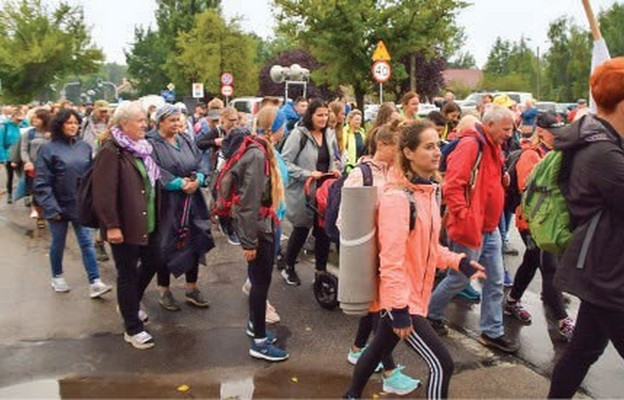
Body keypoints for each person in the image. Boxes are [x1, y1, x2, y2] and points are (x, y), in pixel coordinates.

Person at [344, 121, 485, 399]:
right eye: (428, 147)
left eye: (438, 146)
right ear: (408, 152)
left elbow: (431, 248)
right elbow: (391, 261)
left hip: (412, 296)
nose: (437, 153)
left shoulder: (427, 193)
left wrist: (460, 262)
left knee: (376, 352)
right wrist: (399, 309)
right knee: (442, 364)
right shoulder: (398, 199)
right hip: (402, 299)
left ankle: (351, 396)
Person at [547, 57, 624, 398]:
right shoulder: (602, 154)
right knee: (583, 351)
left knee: (582, 351)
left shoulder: (601, 143)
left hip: (604, 269)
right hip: (610, 274)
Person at [427, 106, 519, 353]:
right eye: (506, 129)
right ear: (489, 125)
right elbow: (453, 186)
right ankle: (429, 314)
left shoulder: (493, 145)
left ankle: (492, 332)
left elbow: (485, 180)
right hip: (473, 228)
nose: (510, 134)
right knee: (459, 278)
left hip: (489, 228)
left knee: (496, 281)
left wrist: (503, 180)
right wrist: (466, 217)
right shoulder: (471, 145)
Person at [342, 121, 421, 395]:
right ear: (384, 145)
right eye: (397, 147)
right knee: (380, 314)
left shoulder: (396, 174)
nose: (401, 153)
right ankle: (387, 372)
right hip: (371, 257)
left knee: (377, 313)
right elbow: (345, 220)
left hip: (387, 255)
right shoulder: (361, 175)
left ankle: (360, 354)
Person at [92, 101, 163, 350]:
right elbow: (103, 192)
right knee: (127, 273)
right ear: (124, 123)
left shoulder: (142, 148)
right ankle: (132, 328)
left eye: (145, 120)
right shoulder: (111, 150)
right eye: (140, 121)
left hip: (148, 221)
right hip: (125, 225)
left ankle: (129, 303)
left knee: (155, 260)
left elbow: (150, 183)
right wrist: (111, 225)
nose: (145, 124)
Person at [504, 112, 575, 339]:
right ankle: (563, 320)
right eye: (553, 133)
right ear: (541, 132)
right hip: (532, 222)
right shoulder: (530, 156)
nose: (558, 137)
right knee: (549, 269)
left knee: (531, 261)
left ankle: (512, 300)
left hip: (549, 223)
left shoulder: (556, 153)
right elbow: (532, 192)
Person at [227, 106, 289, 361]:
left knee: (260, 282)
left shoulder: (264, 149)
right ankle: (260, 342)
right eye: (283, 124)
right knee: (260, 284)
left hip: (267, 225)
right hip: (261, 229)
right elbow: (248, 202)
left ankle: (256, 325)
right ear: (276, 128)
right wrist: (249, 242)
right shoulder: (258, 154)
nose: (286, 128)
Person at [34, 109, 112, 298]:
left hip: (80, 205)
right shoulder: (48, 148)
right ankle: (57, 276)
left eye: (76, 123)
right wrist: (51, 208)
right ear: (59, 125)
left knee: (86, 243)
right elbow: (42, 181)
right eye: (68, 123)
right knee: (58, 243)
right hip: (57, 206)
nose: (73, 126)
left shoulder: (84, 147)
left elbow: (90, 176)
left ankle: (95, 281)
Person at [148, 104, 214, 311]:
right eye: (172, 120)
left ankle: (192, 288)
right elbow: (154, 170)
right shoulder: (151, 143)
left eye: (179, 119)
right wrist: (178, 183)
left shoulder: (185, 139)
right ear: (160, 122)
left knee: (195, 239)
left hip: (193, 200)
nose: (177, 123)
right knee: (166, 243)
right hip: (168, 203)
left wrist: (200, 178)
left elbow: (201, 161)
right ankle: (164, 290)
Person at [281, 99, 341, 286]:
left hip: (324, 191)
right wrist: (308, 174)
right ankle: (288, 265)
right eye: (319, 115)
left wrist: (335, 168)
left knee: (323, 232)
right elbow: (285, 163)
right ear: (311, 116)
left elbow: (334, 157)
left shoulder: (329, 134)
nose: (323, 119)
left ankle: (320, 272)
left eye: (325, 115)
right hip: (304, 191)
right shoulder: (299, 135)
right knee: (301, 229)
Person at [21, 108, 50, 229]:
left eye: (37, 117)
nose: (34, 119)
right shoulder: (29, 133)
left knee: (50, 191)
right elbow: (23, 149)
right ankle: (40, 216)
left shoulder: (52, 133)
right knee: (37, 193)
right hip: (34, 168)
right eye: (33, 117)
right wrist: (27, 161)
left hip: (50, 168)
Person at [1, 107, 25, 203]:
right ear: (13, 116)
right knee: (10, 176)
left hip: (22, 154)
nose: (19, 121)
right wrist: (2, 158)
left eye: (21, 119)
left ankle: (26, 197)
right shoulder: (5, 126)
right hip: (9, 155)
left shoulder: (24, 126)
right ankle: (10, 195)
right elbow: (0, 143)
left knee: (23, 176)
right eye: (17, 119)